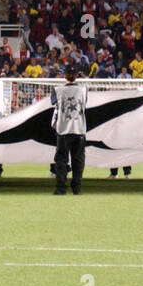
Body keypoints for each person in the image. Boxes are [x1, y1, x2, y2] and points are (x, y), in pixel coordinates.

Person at [50, 64, 88, 195]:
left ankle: (61, 188)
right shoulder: (83, 90)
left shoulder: (57, 90)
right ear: (77, 76)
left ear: (64, 75)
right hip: (79, 129)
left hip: (63, 130)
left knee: (61, 160)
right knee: (78, 161)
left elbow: (53, 103)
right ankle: (77, 188)